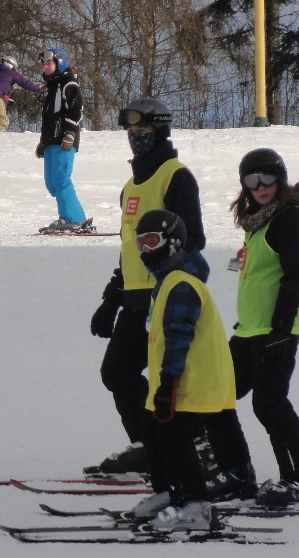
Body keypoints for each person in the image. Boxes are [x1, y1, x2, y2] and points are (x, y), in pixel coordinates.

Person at [88, 98, 206, 475]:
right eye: (131, 131)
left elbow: (193, 239)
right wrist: (112, 299)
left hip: (165, 298)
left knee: (166, 379)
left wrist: (171, 285)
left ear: (161, 131)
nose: (135, 137)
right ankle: (149, 445)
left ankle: (190, 449)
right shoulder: (130, 187)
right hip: (135, 301)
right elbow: (129, 250)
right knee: (117, 373)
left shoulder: (175, 176)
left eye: (143, 130)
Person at [127, 210, 252, 530]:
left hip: (191, 380)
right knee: (151, 430)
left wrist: (169, 381)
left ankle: (196, 506)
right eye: (140, 244)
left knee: (174, 437)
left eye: (151, 241)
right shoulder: (168, 281)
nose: (145, 250)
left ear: (173, 242)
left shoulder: (181, 284)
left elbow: (179, 336)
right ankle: (171, 493)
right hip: (175, 379)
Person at [227, 148, 299, 506]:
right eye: (252, 180)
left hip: (275, 330)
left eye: (267, 177)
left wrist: (281, 328)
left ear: (280, 178)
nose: (260, 186)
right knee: (217, 394)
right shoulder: (258, 223)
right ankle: (231, 470)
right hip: (249, 329)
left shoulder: (292, 219)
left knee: (269, 403)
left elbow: (295, 277)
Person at [34, 48, 88, 231]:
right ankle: (69, 217)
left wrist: (70, 133)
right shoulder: (53, 87)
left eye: (49, 63)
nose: (45, 67)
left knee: (61, 179)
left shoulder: (68, 83)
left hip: (64, 140)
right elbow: (50, 118)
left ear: (60, 63)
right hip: (52, 140)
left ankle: (74, 219)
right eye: (43, 64)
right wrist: (43, 143)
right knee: (51, 183)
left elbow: (76, 110)